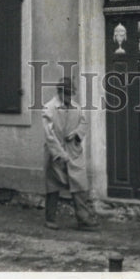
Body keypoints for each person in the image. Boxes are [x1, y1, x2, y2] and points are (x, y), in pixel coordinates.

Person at [42, 75, 98, 231]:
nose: (69, 97)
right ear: (59, 92)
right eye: (66, 94)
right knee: (53, 186)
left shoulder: (76, 107)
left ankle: (83, 219)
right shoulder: (49, 108)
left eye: (70, 94)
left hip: (73, 150)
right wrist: (59, 154)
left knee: (80, 183)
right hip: (56, 153)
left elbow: (84, 123)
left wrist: (76, 134)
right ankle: (50, 218)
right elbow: (49, 134)